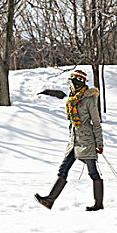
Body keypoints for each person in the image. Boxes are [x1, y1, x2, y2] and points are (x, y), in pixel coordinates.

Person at [35, 70, 104, 211]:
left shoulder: (89, 100)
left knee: (93, 173)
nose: (70, 87)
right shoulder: (72, 100)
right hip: (74, 142)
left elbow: (96, 123)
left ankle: (98, 204)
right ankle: (49, 200)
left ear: (77, 83)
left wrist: (99, 143)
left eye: (71, 84)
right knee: (63, 169)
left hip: (86, 141)